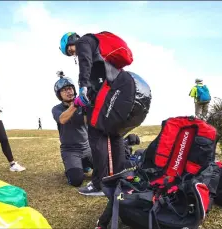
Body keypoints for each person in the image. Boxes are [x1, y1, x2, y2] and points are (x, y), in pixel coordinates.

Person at [59, 31, 151, 228]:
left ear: (72, 41)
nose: (73, 54)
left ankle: (99, 183)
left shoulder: (85, 41)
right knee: (114, 134)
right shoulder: (100, 47)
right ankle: (117, 179)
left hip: (106, 90)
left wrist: (83, 86)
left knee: (96, 132)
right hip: (115, 88)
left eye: (70, 50)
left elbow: (85, 63)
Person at [52, 71, 96, 189]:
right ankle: (74, 167)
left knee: (104, 172)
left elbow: (88, 122)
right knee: (76, 180)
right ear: (59, 94)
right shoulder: (56, 109)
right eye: (64, 89)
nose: (69, 91)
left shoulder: (83, 104)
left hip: (87, 147)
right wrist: (75, 105)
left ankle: (84, 164)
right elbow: (62, 119)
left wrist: (88, 107)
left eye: (70, 88)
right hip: (70, 150)